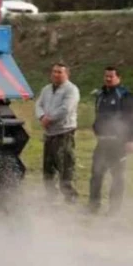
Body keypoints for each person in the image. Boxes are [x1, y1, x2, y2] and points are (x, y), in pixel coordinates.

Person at [35, 63, 81, 203]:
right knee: (48, 167)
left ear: (66, 74)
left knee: (65, 165)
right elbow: (38, 104)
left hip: (64, 132)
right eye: (54, 71)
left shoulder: (71, 90)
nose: (56, 75)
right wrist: (42, 116)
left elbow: (66, 109)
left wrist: (50, 118)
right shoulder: (46, 89)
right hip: (49, 134)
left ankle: (70, 196)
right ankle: (51, 196)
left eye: (59, 72)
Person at [88, 67, 131, 215]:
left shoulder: (124, 95)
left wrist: (130, 140)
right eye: (106, 76)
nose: (108, 79)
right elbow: (99, 114)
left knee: (117, 176)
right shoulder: (100, 95)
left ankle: (114, 210)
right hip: (102, 141)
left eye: (111, 76)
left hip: (118, 143)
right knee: (96, 174)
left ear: (118, 78)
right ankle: (93, 206)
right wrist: (95, 127)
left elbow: (130, 119)